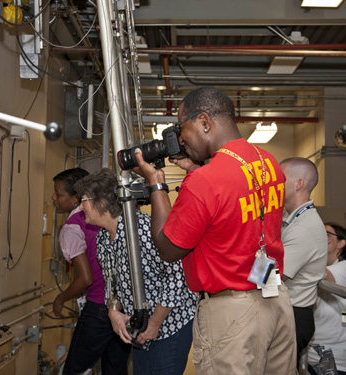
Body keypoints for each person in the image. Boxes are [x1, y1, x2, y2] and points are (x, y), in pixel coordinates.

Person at [133, 87, 297, 374]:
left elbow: (169, 248)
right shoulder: (268, 162)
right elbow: (230, 201)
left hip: (231, 313)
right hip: (274, 298)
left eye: (183, 128)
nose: (181, 139)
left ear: (205, 122)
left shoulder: (203, 181)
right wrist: (198, 168)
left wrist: (156, 184)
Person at [75, 168, 196, 375]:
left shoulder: (143, 230)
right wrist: (113, 311)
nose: (80, 207)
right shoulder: (103, 238)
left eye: (84, 200)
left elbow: (177, 277)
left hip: (170, 325)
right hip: (142, 327)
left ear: (102, 203)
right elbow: (110, 281)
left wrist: (155, 323)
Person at [51, 168, 130, 375]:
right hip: (122, 306)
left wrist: (60, 298)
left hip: (99, 306)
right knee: (115, 368)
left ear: (78, 197)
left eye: (59, 194)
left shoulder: (73, 226)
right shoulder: (110, 219)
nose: (54, 198)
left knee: (74, 369)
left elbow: (86, 278)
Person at [279, 157, 328, 360]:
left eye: (280, 179)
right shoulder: (290, 219)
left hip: (293, 316)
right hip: (285, 312)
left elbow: (267, 276)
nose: (273, 184)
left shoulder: (304, 228)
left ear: (299, 184)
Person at [308, 223, 346, 375]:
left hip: (335, 357)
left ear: (342, 243)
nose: (321, 236)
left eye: (327, 234)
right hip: (312, 353)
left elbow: (323, 275)